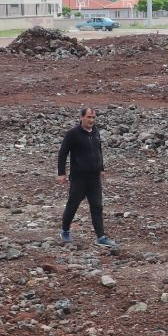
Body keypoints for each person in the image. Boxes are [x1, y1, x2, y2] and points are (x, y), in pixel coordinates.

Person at [57, 106, 116, 248]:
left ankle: (100, 237)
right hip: (79, 177)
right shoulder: (73, 134)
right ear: (81, 117)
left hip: (94, 177)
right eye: (89, 117)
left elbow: (98, 150)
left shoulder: (95, 132)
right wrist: (61, 173)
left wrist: (101, 168)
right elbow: (63, 153)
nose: (91, 120)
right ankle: (65, 231)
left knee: (97, 206)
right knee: (73, 205)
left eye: (93, 117)